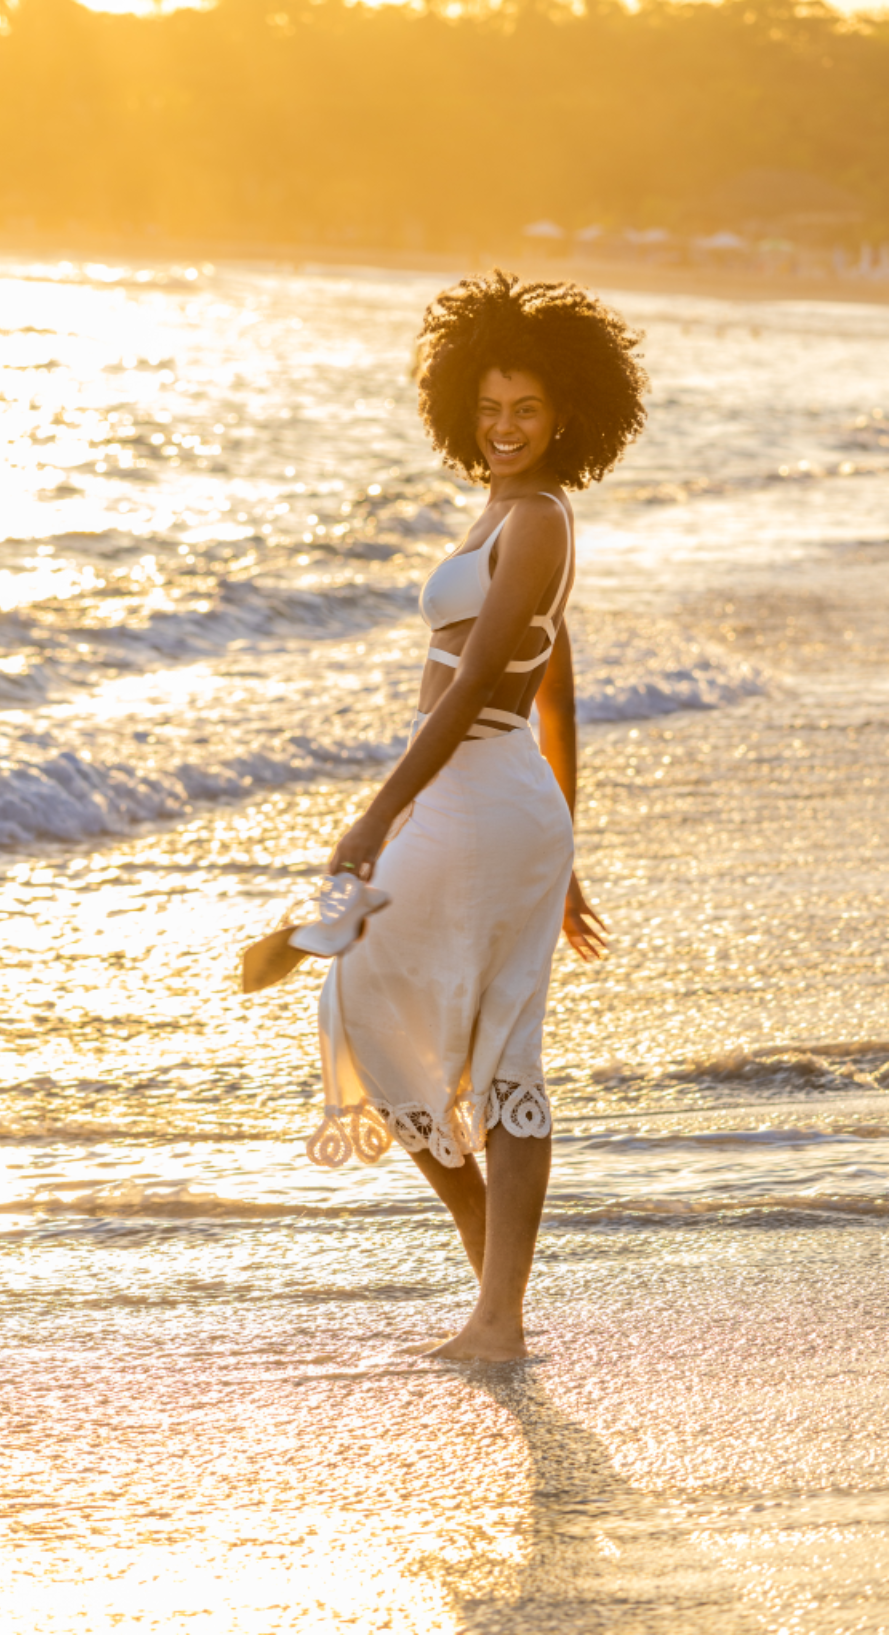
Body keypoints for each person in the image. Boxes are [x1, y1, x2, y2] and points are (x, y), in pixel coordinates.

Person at [304, 271, 648, 1361]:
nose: (504, 429)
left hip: (477, 789)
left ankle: (496, 1312)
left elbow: (472, 690)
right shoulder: (504, 509)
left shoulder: (539, 519)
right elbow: (559, 683)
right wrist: (567, 848)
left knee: (460, 1034)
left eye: (526, 411)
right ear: (463, 405)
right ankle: (489, 1280)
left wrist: (372, 818)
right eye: (490, 409)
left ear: (565, 416)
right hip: (495, 800)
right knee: (376, 1010)